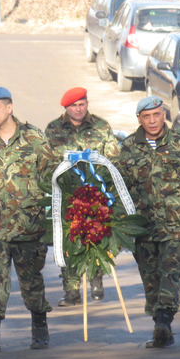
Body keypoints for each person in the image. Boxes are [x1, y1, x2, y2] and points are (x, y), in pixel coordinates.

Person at [116, 96, 180, 348]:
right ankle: (160, 324)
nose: (152, 121)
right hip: (142, 227)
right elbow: (119, 187)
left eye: (157, 114)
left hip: (176, 224)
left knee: (170, 274)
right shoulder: (129, 147)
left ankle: (164, 320)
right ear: (139, 119)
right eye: (146, 117)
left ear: (164, 114)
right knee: (150, 278)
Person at [0, 87, 55, 352]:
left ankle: (40, 326)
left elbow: (52, 176)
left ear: (10, 108)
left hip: (30, 225)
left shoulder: (35, 138)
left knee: (31, 279)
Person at [44, 87, 121, 306]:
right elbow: (46, 159)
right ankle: (71, 290)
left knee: (96, 236)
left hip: (96, 195)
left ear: (87, 103)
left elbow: (113, 156)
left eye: (82, 104)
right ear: (66, 108)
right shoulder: (53, 129)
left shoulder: (101, 126)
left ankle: (96, 281)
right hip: (67, 194)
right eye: (73, 106)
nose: (78, 109)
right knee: (68, 240)